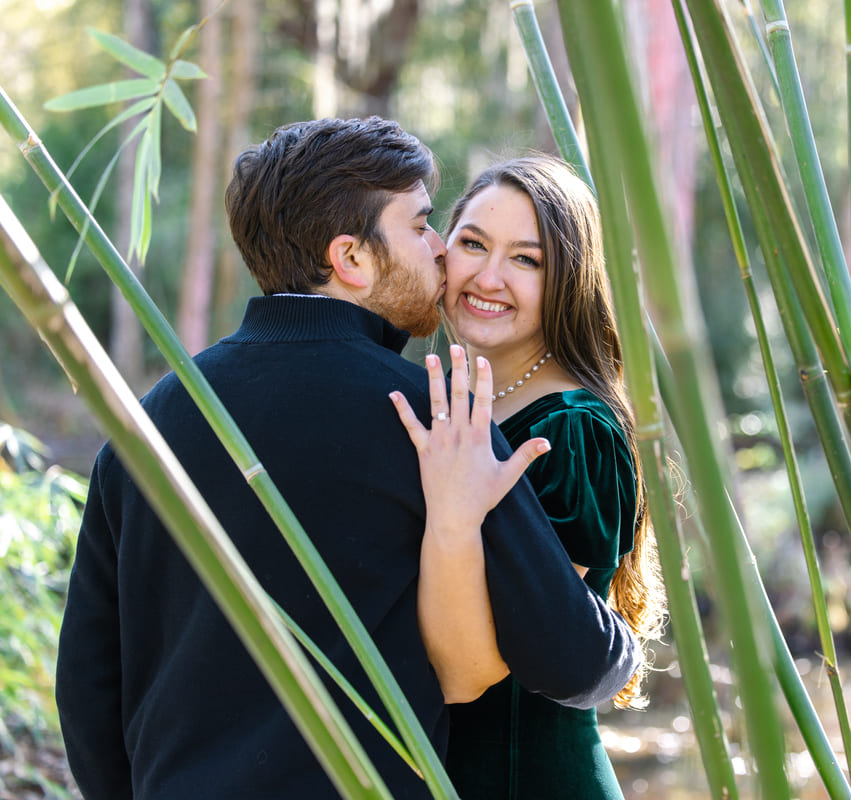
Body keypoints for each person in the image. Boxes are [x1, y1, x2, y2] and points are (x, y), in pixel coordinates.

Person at [54, 119, 639, 800]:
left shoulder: (151, 419)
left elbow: (89, 682)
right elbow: (577, 661)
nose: (441, 251)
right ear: (352, 258)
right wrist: (622, 644)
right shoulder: (432, 419)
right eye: (423, 226)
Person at [391, 155, 667, 799]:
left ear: (568, 280)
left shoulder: (575, 430)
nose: (488, 277)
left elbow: (491, 664)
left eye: (527, 260)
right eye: (473, 244)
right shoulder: (458, 398)